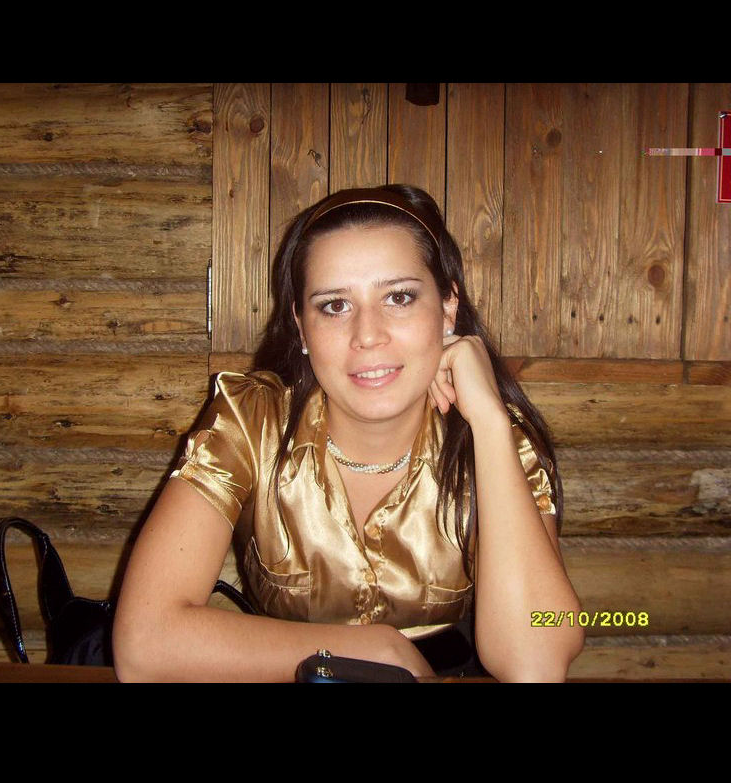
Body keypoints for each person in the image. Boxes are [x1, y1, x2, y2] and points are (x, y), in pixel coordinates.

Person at [112, 184, 584, 682]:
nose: (367, 335)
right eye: (335, 306)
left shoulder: (498, 438)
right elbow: (144, 643)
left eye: (399, 297)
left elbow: (536, 665)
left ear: (448, 307)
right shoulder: (252, 422)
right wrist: (375, 650)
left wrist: (488, 420)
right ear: (301, 327)